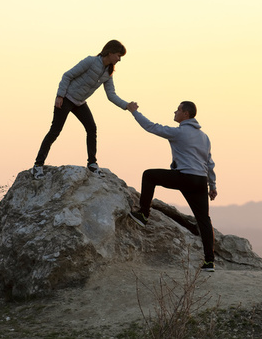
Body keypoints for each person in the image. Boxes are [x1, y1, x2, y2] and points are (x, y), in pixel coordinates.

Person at [126, 100, 218, 272]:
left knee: (149, 175)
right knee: (204, 220)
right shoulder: (204, 137)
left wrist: (134, 112)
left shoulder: (180, 132)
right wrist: (212, 186)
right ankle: (209, 262)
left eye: (178, 110)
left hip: (185, 177)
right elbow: (210, 163)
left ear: (186, 114)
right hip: (200, 181)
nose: (174, 112)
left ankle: (143, 214)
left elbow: (152, 127)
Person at [33, 40, 130, 179]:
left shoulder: (108, 72)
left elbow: (111, 95)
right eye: (118, 55)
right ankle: (37, 166)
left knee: (91, 128)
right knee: (55, 130)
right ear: (110, 53)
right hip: (66, 97)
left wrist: (126, 105)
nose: (119, 59)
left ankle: (92, 164)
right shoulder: (90, 61)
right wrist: (60, 96)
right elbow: (67, 75)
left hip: (79, 102)